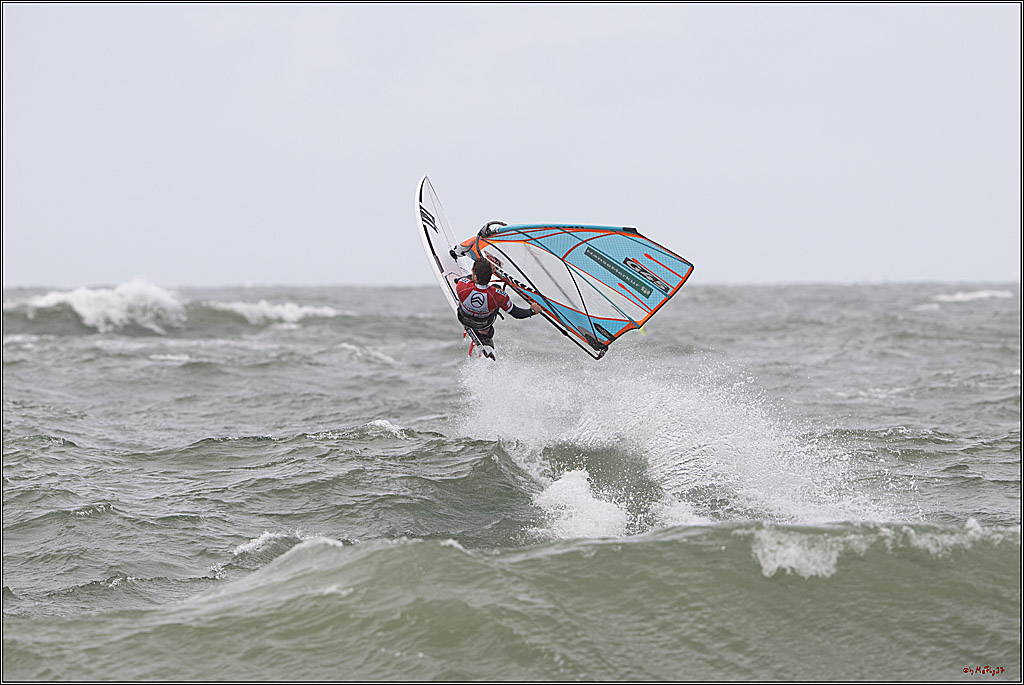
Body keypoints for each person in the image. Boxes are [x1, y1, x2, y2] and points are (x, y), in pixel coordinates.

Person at [455, 258, 541, 354]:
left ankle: (481, 330)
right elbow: (516, 313)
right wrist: (533, 311)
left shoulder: (461, 285)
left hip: (463, 318)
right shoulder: (499, 296)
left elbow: (464, 279)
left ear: (475, 277)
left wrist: (480, 273)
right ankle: (485, 335)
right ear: (490, 275)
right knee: (496, 291)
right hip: (483, 324)